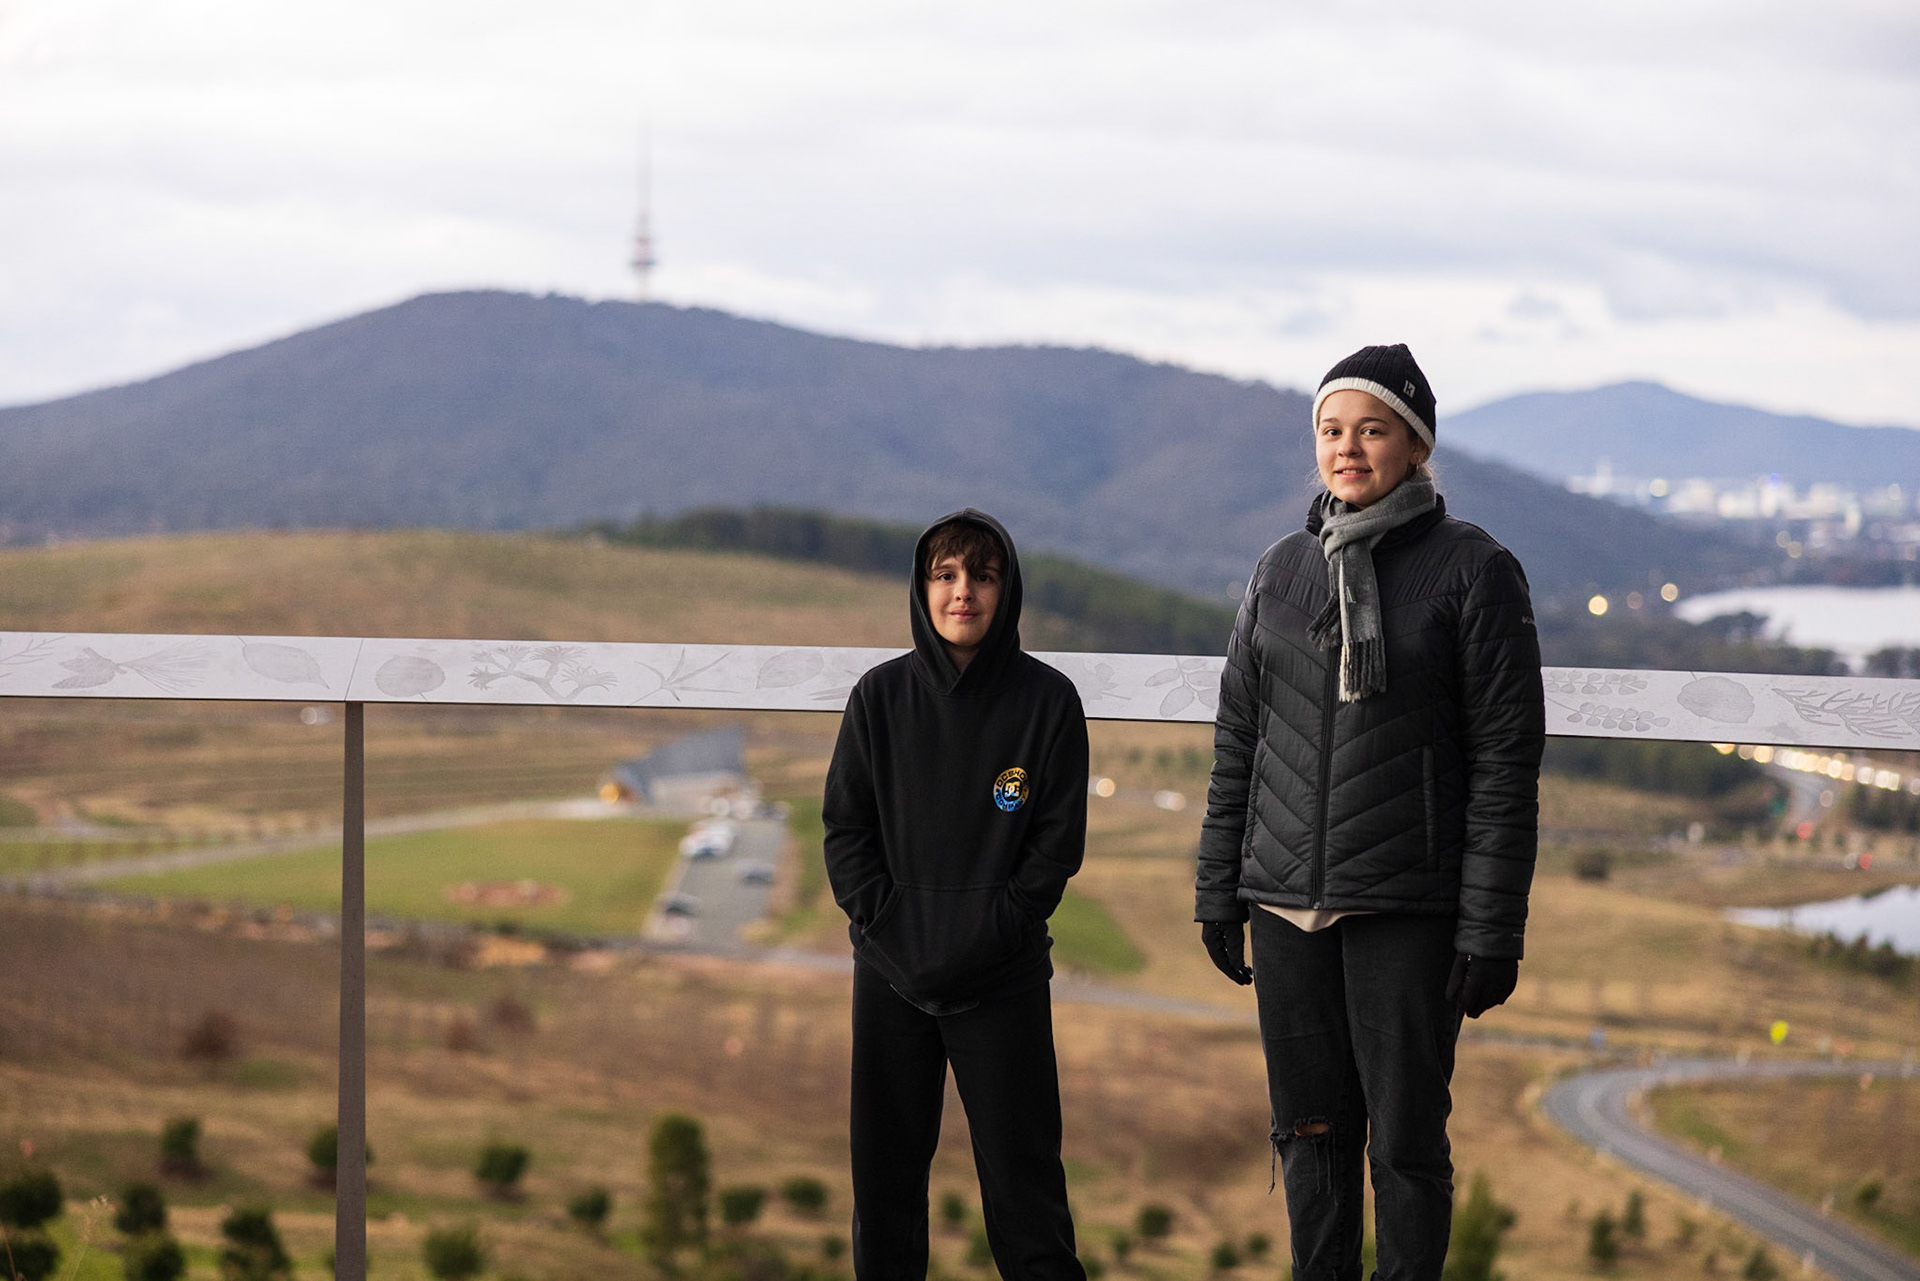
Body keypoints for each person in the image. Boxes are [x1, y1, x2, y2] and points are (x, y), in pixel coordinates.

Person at [1194, 345, 1544, 1281]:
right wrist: (1218, 888)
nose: (1347, 448)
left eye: (1372, 429)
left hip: (1406, 906)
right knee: (1307, 1137)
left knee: (1405, 1145)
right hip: (1285, 907)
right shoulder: (1282, 570)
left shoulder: (1475, 571)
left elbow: (1505, 764)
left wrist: (1492, 926)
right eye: (1331, 430)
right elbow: (1239, 742)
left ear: (1416, 445)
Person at [824, 508, 1090, 1281]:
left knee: (1028, 1201)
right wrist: (889, 926)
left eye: (983, 574)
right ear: (921, 588)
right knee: (885, 1200)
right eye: (944, 574)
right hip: (891, 978)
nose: (963, 591)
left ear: (1008, 590)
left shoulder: (1048, 702)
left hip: (1002, 978)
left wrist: (993, 929)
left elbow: (1054, 848)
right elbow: (845, 830)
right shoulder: (878, 699)